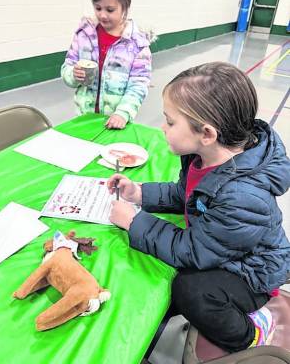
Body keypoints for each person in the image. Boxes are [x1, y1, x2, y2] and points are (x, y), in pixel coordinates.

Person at [107, 62, 290, 352]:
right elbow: (186, 194)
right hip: (220, 246)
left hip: (253, 273)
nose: (162, 127)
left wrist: (134, 222)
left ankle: (252, 333)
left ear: (207, 133)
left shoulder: (242, 196)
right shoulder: (202, 156)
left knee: (190, 290)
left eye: (169, 122)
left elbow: (193, 251)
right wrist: (139, 194)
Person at [61, 0, 152, 129]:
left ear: (125, 6)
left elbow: (139, 83)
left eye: (110, 10)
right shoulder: (84, 34)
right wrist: (73, 74)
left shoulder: (137, 44)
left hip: (116, 121)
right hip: (84, 118)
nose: (102, 15)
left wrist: (123, 113)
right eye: (98, 8)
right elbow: (67, 67)